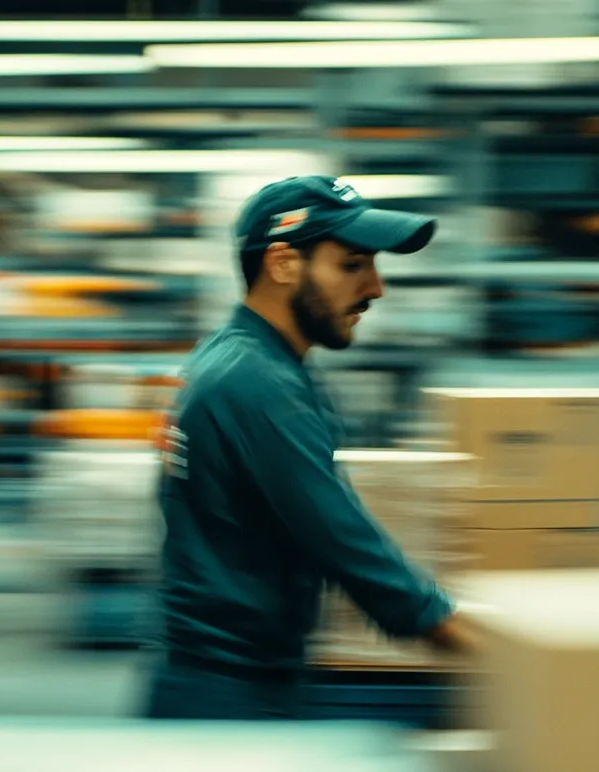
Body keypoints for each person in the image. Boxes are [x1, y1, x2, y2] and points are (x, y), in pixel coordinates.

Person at [145, 175, 477, 721]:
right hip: (227, 700)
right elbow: (342, 540)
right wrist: (478, 643)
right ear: (283, 264)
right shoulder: (257, 383)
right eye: (352, 265)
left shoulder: (239, 357)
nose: (375, 288)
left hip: (225, 679)